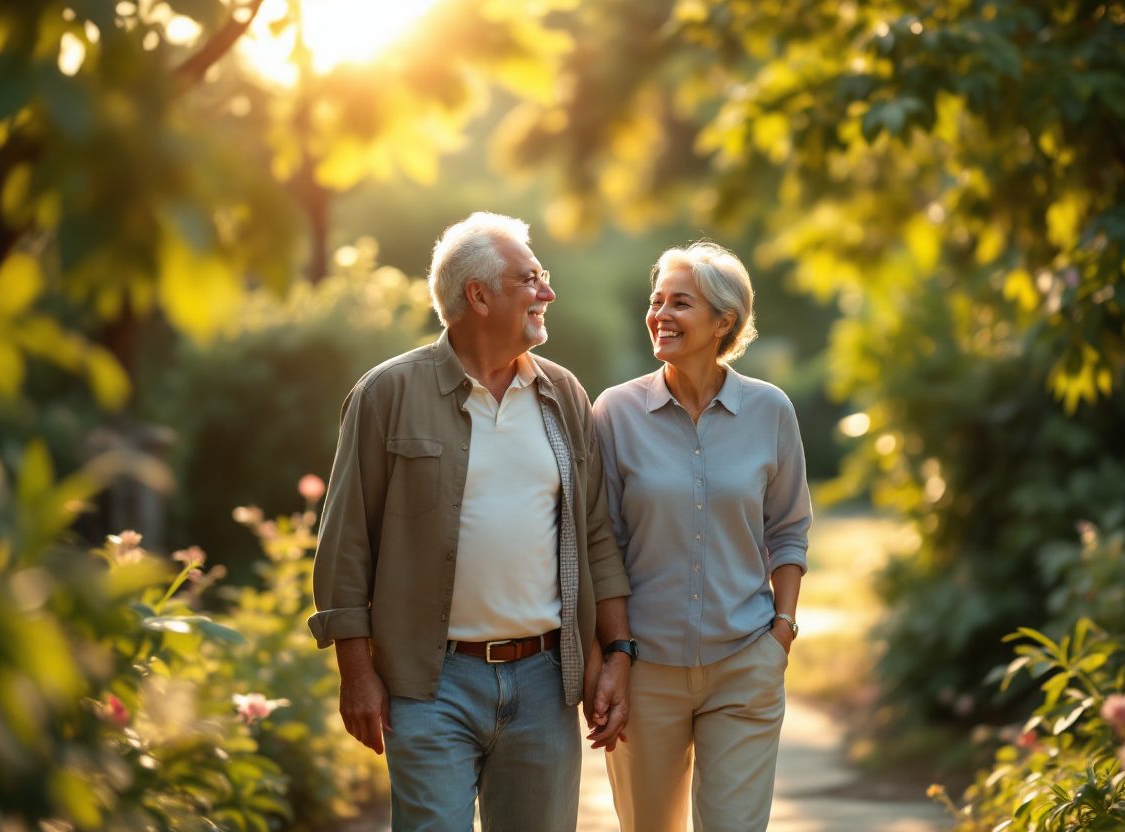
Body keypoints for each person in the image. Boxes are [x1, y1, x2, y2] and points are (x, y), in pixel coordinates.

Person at [307, 212, 635, 831]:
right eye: (529, 279)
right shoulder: (386, 394)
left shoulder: (564, 394)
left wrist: (617, 652)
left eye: (542, 276)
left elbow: (595, 535)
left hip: (544, 684)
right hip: (429, 685)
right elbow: (346, 542)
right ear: (478, 296)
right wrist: (356, 672)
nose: (547, 292)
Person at [592, 241, 812, 831]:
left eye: (680, 303)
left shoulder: (770, 410)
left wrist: (782, 632)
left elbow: (789, 529)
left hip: (745, 662)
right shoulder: (614, 413)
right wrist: (613, 656)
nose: (660, 314)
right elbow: (601, 544)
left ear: (723, 322)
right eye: (656, 300)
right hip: (645, 670)